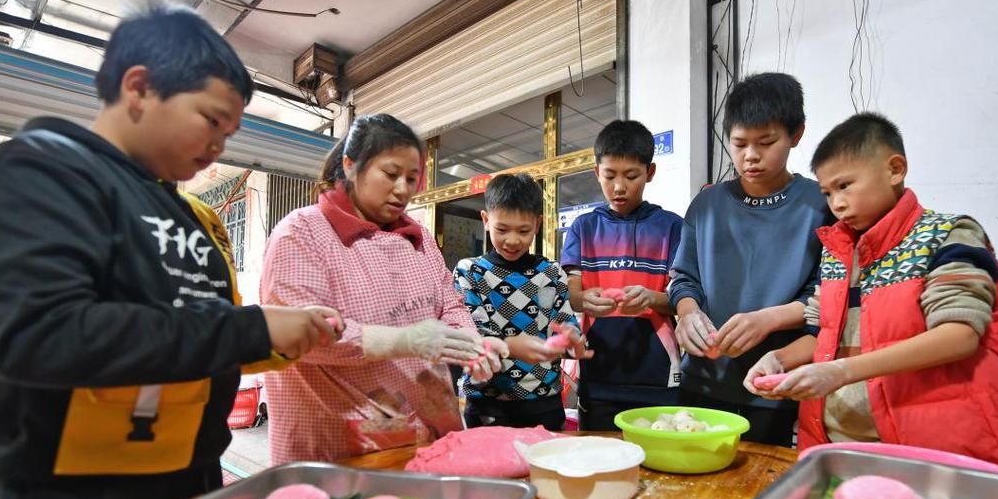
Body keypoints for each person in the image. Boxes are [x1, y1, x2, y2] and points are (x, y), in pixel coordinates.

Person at [0, 5, 341, 499]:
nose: (222, 145)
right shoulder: (30, 176)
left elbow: (194, 334)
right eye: (212, 119)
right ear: (140, 87)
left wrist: (269, 336)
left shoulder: (190, 215)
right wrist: (250, 330)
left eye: (231, 131)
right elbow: (40, 335)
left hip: (184, 483)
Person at [744, 113, 998, 475]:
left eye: (845, 186)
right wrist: (779, 359)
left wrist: (840, 372)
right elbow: (823, 336)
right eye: (827, 192)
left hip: (936, 451)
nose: (836, 203)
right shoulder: (838, 251)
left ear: (895, 169)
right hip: (842, 448)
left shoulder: (947, 234)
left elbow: (960, 335)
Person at [261, 114, 501, 462]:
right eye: (391, 175)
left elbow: (450, 304)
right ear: (350, 164)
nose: (403, 189)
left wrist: (469, 343)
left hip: (428, 428)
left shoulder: (417, 237)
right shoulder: (302, 232)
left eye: (411, 178)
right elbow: (298, 336)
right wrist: (403, 340)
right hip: (341, 442)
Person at [668, 73, 833, 446]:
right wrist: (688, 312)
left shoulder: (820, 204)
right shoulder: (707, 204)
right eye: (739, 143)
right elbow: (683, 279)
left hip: (775, 384)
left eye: (766, 142)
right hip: (703, 382)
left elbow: (829, 296)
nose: (751, 155)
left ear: (797, 134)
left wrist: (769, 319)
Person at [560, 120, 683, 431]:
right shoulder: (583, 228)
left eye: (631, 176)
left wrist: (652, 298)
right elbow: (571, 295)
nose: (619, 187)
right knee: (600, 457)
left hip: (657, 369)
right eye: (609, 175)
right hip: (598, 366)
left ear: (650, 173)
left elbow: (684, 298)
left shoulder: (671, 227)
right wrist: (583, 299)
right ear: (596, 172)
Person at [454, 174, 587, 430]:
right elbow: (470, 334)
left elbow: (565, 325)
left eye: (523, 231)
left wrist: (572, 339)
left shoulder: (551, 272)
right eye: (502, 229)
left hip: (544, 402)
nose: (512, 240)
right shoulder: (470, 271)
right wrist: (510, 346)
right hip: (486, 403)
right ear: (485, 220)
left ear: (538, 225)